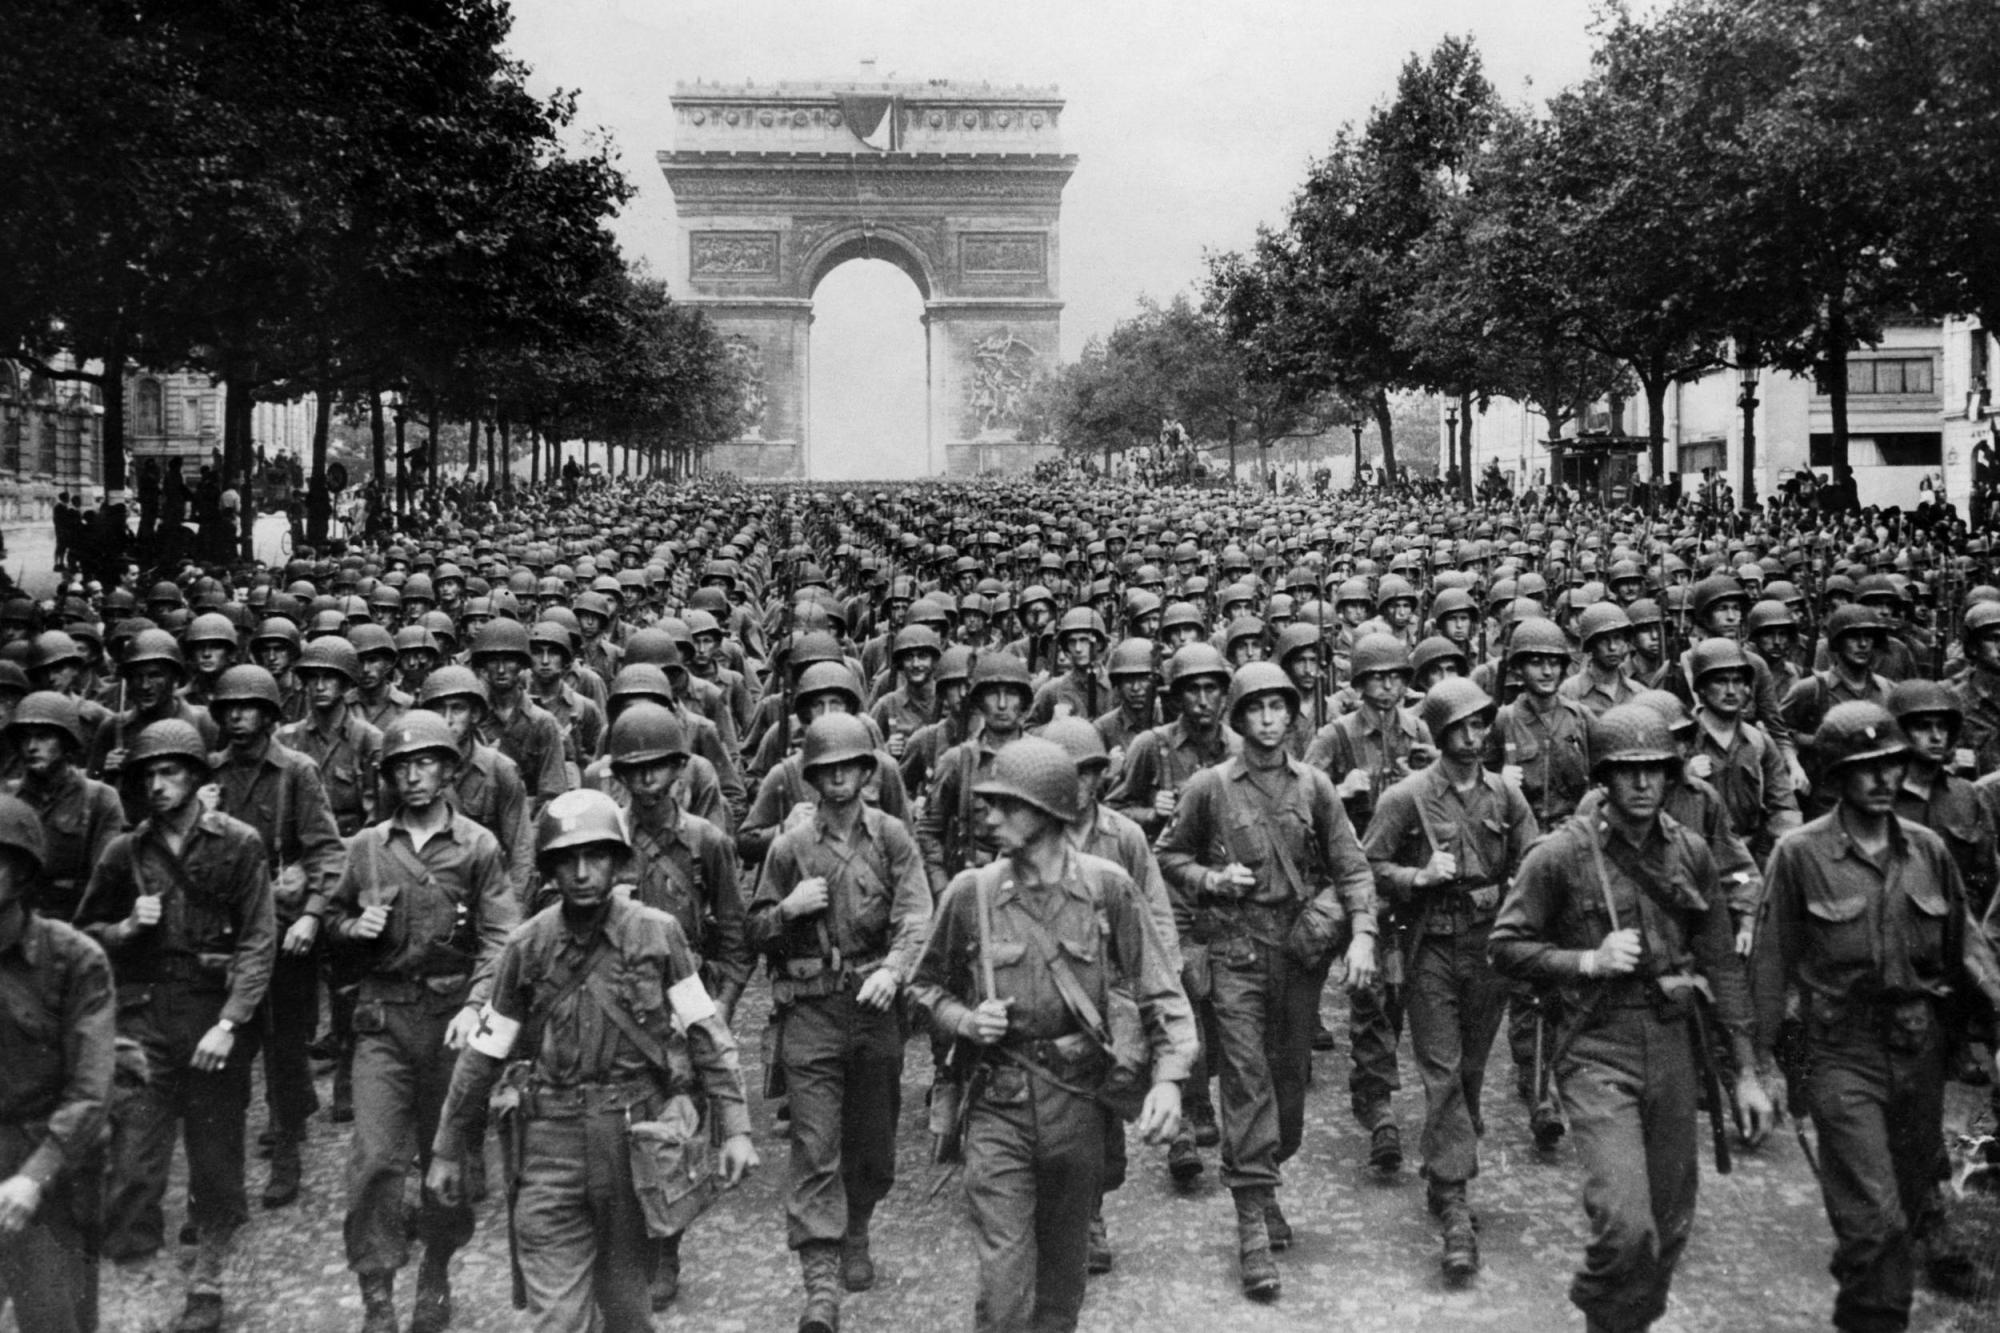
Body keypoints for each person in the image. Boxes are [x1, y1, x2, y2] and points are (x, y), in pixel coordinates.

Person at [425, 789, 757, 1333]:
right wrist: (446, 1148)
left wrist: (737, 1128)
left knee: (627, 1307)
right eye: (567, 859)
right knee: (556, 1318)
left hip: (632, 1142)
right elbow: (483, 1053)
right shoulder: (526, 946)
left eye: (596, 856)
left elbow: (705, 1034)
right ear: (551, 869)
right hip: (549, 1145)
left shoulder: (658, 933)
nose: (582, 872)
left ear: (618, 860)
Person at [1490, 704, 1772, 1333]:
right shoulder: (1561, 853)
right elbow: (1505, 946)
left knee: (1670, 1227)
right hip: (1595, 1044)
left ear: (1671, 775)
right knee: (1625, 1225)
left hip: (1675, 1042)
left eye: (1654, 771)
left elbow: (1723, 964)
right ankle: (1600, 1309)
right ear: (1604, 778)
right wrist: (1588, 959)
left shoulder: (1692, 851)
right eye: (1627, 772)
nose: (1642, 784)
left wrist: (1747, 1072)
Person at [910, 737, 1193, 1332]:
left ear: (1048, 811)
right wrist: (965, 1020)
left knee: (1063, 1285)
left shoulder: (1107, 888)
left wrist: (1168, 1082)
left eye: (1004, 806)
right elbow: (925, 987)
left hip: (1079, 1105)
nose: (987, 818)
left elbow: (1159, 991)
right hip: (999, 1104)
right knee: (1005, 1283)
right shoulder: (974, 893)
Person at [1757, 701, 2000, 1330]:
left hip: (1919, 1053)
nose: (1884, 778)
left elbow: (1967, 946)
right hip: (1839, 1053)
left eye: (1892, 764)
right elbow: (1770, 967)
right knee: (1879, 1225)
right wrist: (1759, 1071)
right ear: (1836, 776)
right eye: (1866, 768)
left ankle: (1866, 1289)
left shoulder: (1927, 851)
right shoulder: (1799, 854)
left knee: (1906, 1211)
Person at [1155, 663, 1378, 1299]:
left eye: (1280, 706)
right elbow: (1169, 856)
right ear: (1239, 716)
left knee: (1290, 1097)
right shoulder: (1210, 787)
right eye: (1257, 708)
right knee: (1248, 1082)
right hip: (1236, 951)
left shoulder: (1315, 787)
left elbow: (1352, 866)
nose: (1271, 718)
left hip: (1299, 953)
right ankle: (1252, 1219)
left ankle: (1264, 1176)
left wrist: (1361, 932)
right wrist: (1211, 882)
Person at [75, 719, 276, 1333]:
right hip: (145, 1014)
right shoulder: (123, 853)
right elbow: (85, 937)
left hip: (212, 1011)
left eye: (170, 772)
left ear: (195, 777)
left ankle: (207, 1278)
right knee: (134, 1164)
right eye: (148, 776)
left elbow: (258, 939)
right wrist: (126, 929)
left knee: (215, 1158)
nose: (158, 786)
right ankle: (138, 1281)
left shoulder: (238, 844)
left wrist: (231, 1021)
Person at [326, 713, 518, 1333]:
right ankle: (377, 1291)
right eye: (401, 766)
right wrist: (353, 929)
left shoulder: (478, 846)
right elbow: (329, 923)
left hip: (451, 1021)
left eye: (425, 763)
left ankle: (435, 1268)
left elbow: (500, 936)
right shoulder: (366, 848)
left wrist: (475, 1004)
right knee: (377, 1158)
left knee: (447, 1158)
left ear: (448, 771)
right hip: (383, 1018)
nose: (413, 776)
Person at [746, 714, 932, 1333]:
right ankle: (819, 1284)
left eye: (850, 767)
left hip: (875, 1008)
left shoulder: (891, 838)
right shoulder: (789, 846)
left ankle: (857, 1227)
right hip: (810, 1011)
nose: (839, 779)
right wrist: (786, 912)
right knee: (814, 1147)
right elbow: (752, 930)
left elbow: (915, 915)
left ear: (867, 772)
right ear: (813, 778)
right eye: (827, 770)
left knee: (874, 1151)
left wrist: (897, 970)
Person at [1362, 677, 1537, 1281]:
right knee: (1440, 1072)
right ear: (1438, 734)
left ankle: (1444, 1170)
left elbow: (1533, 863)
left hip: (1487, 946)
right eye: (1461, 726)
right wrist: (1417, 877)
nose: (1474, 734)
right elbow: (1368, 867)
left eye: (1481, 723)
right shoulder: (1406, 798)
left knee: (1469, 1071)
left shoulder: (1504, 797)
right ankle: (1456, 1204)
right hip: (1430, 944)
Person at [204, 664, 347, 1210]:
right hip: (225, 930)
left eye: (248, 707)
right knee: (224, 1055)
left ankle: (287, 1149)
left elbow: (326, 851)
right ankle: (217, 1185)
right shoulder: (209, 775)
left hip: (285, 927)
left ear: (268, 714)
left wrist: (313, 913)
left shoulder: (296, 772)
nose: (237, 716)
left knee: (285, 1048)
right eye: (229, 708)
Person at [0, 792, 116, 1333]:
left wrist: (34, 1176)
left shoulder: (73, 958)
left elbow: (91, 1090)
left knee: (53, 1317)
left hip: (50, 1165)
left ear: (22, 873)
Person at [3, 692, 126, 924]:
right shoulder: (6, 799)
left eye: (43, 737)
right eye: (25, 738)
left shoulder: (100, 799)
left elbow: (103, 884)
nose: (31, 747)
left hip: (75, 926)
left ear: (66, 741)